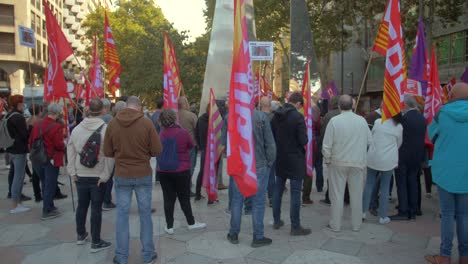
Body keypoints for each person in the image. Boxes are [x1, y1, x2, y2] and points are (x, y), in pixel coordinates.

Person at [104, 96, 162, 264]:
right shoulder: (146, 123)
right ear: (139, 107)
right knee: (145, 215)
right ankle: (148, 254)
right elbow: (157, 149)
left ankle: (121, 257)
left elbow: (107, 151)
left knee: (122, 216)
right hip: (142, 173)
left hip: (122, 174)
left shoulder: (113, 124)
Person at [424, 83, 468, 264]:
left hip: (445, 171)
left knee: (448, 214)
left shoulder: (442, 113)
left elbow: (431, 135)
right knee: (464, 215)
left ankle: (444, 256)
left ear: (451, 96)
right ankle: (465, 256)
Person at [67, 98, 114, 252]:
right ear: (103, 111)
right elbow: (109, 155)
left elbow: (71, 151)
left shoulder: (76, 129)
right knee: (96, 208)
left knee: (82, 206)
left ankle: (80, 235)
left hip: (80, 174)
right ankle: (96, 240)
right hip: (98, 175)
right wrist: (106, 175)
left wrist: (72, 172)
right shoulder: (106, 129)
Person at [322, 95, 371, 232]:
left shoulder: (334, 121)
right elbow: (369, 141)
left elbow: (326, 144)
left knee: (337, 195)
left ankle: (336, 224)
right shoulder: (362, 121)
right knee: (356, 195)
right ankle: (356, 225)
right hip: (357, 163)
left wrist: (328, 159)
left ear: (339, 106)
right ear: (353, 106)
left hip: (338, 162)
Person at [228, 109, 276, 247]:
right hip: (259, 164)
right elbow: (270, 143)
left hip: (239, 165)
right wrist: (269, 162)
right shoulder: (261, 116)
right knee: (258, 201)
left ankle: (233, 234)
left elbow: (226, 141)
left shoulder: (232, 115)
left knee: (237, 200)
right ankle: (258, 236)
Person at [156, 109, 206, 235]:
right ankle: (191, 223)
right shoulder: (182, 132)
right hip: (181, 170)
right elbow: (190, 145)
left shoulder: (161, 134)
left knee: (168, 199)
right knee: (184, 198)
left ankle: (169, 226)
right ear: (173, 118)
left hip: (163, 171)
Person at [271, 92, 311, 236]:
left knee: (278, 190)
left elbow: (272, 136)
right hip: (295, 159)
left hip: (280, 157)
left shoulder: (276, 115)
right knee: (295, 193)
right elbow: (304, 141)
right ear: (298, 103)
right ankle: (295, 226)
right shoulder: (298, 117)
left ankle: (276, 220)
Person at [362, 114, 403, 225]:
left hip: (374, 156)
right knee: (385, 188)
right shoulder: (398, 126)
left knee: (369, 184)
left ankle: (362, 212)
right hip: (388, 159)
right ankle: (383, 216)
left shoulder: (378, 122)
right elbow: (399, 143)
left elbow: (373, 135)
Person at [391, 96, 426, 221]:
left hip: (403, 154)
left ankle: (403, 211)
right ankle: (414, 208)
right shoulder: (422, 118)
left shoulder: (404, 119)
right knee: (413, 182)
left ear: (405, 105)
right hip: (417, 155)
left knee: (401, 183)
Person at [30, 103, 66, 220]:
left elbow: (31, 141)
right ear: (57, 113)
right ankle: (47, 210)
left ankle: (50, 205)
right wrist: (65, 145)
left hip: (37, 158)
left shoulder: (37, 123)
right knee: (50, 184)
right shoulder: (56, 126)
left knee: (45, 183)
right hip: (50, 158)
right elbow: (59, 144)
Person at [320, 96, 350, 206]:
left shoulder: (329, 116)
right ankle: (346, 197)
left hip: (334, 149)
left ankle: (330, 197)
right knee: (346, 175)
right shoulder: (352, 116)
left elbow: (324, 133)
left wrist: (324, 150)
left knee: (333, 176)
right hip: (347, 148)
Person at [6, 95, 30, 214]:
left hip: (11, 149)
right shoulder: (18, 118)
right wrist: (30, 126)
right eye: (23, 103)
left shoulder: (9, 115)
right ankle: (15, 204)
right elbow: (24, 135)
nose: (24, 105)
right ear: (19, 104)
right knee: (18, 177)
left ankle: (17, 202)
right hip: (19, 150)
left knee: (16, 175)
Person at [177, 97, 199, 185]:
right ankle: (187, 184)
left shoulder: (174, 115)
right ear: (185, 104)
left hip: (177, 145)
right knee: (190, 165)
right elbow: (197, 129)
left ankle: (181, 183)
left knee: (179, 165)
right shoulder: (191, 115)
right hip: (190, 144)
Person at [302, 105, 321, 204]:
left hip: (304, 147)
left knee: (306, 170)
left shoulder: (303, 116)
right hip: (311, 147)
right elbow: (319, 129)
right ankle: (305, 196)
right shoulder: (315, 119)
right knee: (309, 171)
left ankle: (304, 192)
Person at [100, 98, 116, 210]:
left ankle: (100, 200)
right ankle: (106, 201)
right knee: (109, 176)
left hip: (97, 152)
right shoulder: (109, 118)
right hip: (108, 151)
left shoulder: (94, 118)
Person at [27, 104, 43, 202]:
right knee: (39, 173)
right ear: (39, 111)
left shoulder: (29, 120)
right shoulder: (37, 121)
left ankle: (37, 194)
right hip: (38, 148)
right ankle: (38, 195)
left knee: (35, 172)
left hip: (32, 148)